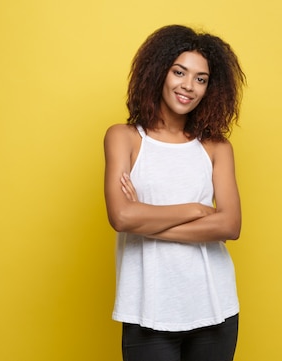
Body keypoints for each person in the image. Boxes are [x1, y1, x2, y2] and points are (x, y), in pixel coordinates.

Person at [103, 24, 246, 361]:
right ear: (157, 73)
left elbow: (230, 226)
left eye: (201, 78)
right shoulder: (124, 138)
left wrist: (148, 219)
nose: (188, 86)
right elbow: (122, 217)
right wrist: (196, 209)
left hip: (215, 307)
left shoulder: (216, 147)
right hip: (147, 309)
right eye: (179, 72)